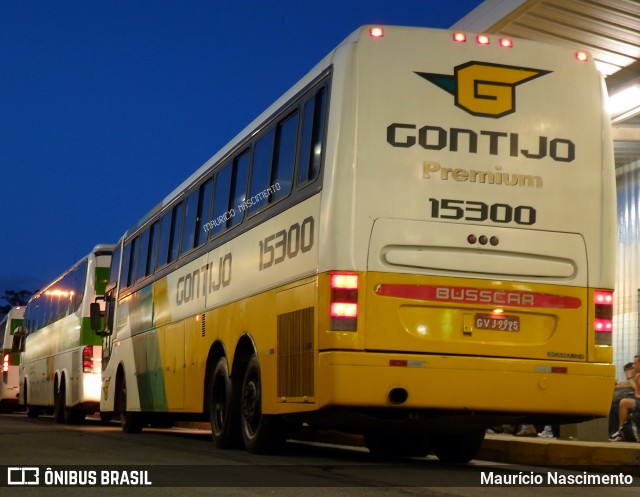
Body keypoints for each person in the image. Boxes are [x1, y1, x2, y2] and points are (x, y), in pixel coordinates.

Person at [609, 354, 640, 442]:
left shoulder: (635, 377)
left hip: (636, 400)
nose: (633, 366)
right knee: (614, 407)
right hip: (637, 399)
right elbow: (637, 392)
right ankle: (619, 432)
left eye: (635, 363)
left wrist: (630, 378)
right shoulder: (637, 376)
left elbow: (634, 388)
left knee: (624, 402)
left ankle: (620, 431)